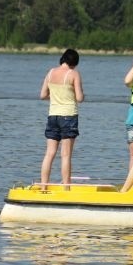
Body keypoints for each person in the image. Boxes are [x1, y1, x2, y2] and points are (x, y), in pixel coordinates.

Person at [40, 48, 85, 187]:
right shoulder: (73, 74)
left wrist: (55, 97)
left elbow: (42, 95)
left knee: (50, 153)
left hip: (53, 115)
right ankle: (66, 186)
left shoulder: (51, 72)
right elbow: (79, 98)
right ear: (74, 62)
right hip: (68, 116)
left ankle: (43, 185)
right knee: (65, 155)